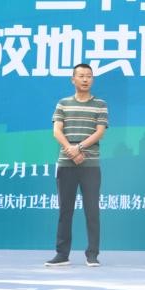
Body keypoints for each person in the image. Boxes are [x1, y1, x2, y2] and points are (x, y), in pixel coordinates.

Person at [46, 63, 107, 267]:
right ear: (73, 79)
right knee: (65, 211)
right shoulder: (63, 104)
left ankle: (92, 254)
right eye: (81, 76)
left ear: (93, 79)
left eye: (89, 76)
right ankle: (62, 254)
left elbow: (100, 132)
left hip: (91, 165)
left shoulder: (100, 104)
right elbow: (57, 131)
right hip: (66, 164)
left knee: (92, 211)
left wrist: (78, 147)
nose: (85, 79)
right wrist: (70, 150)